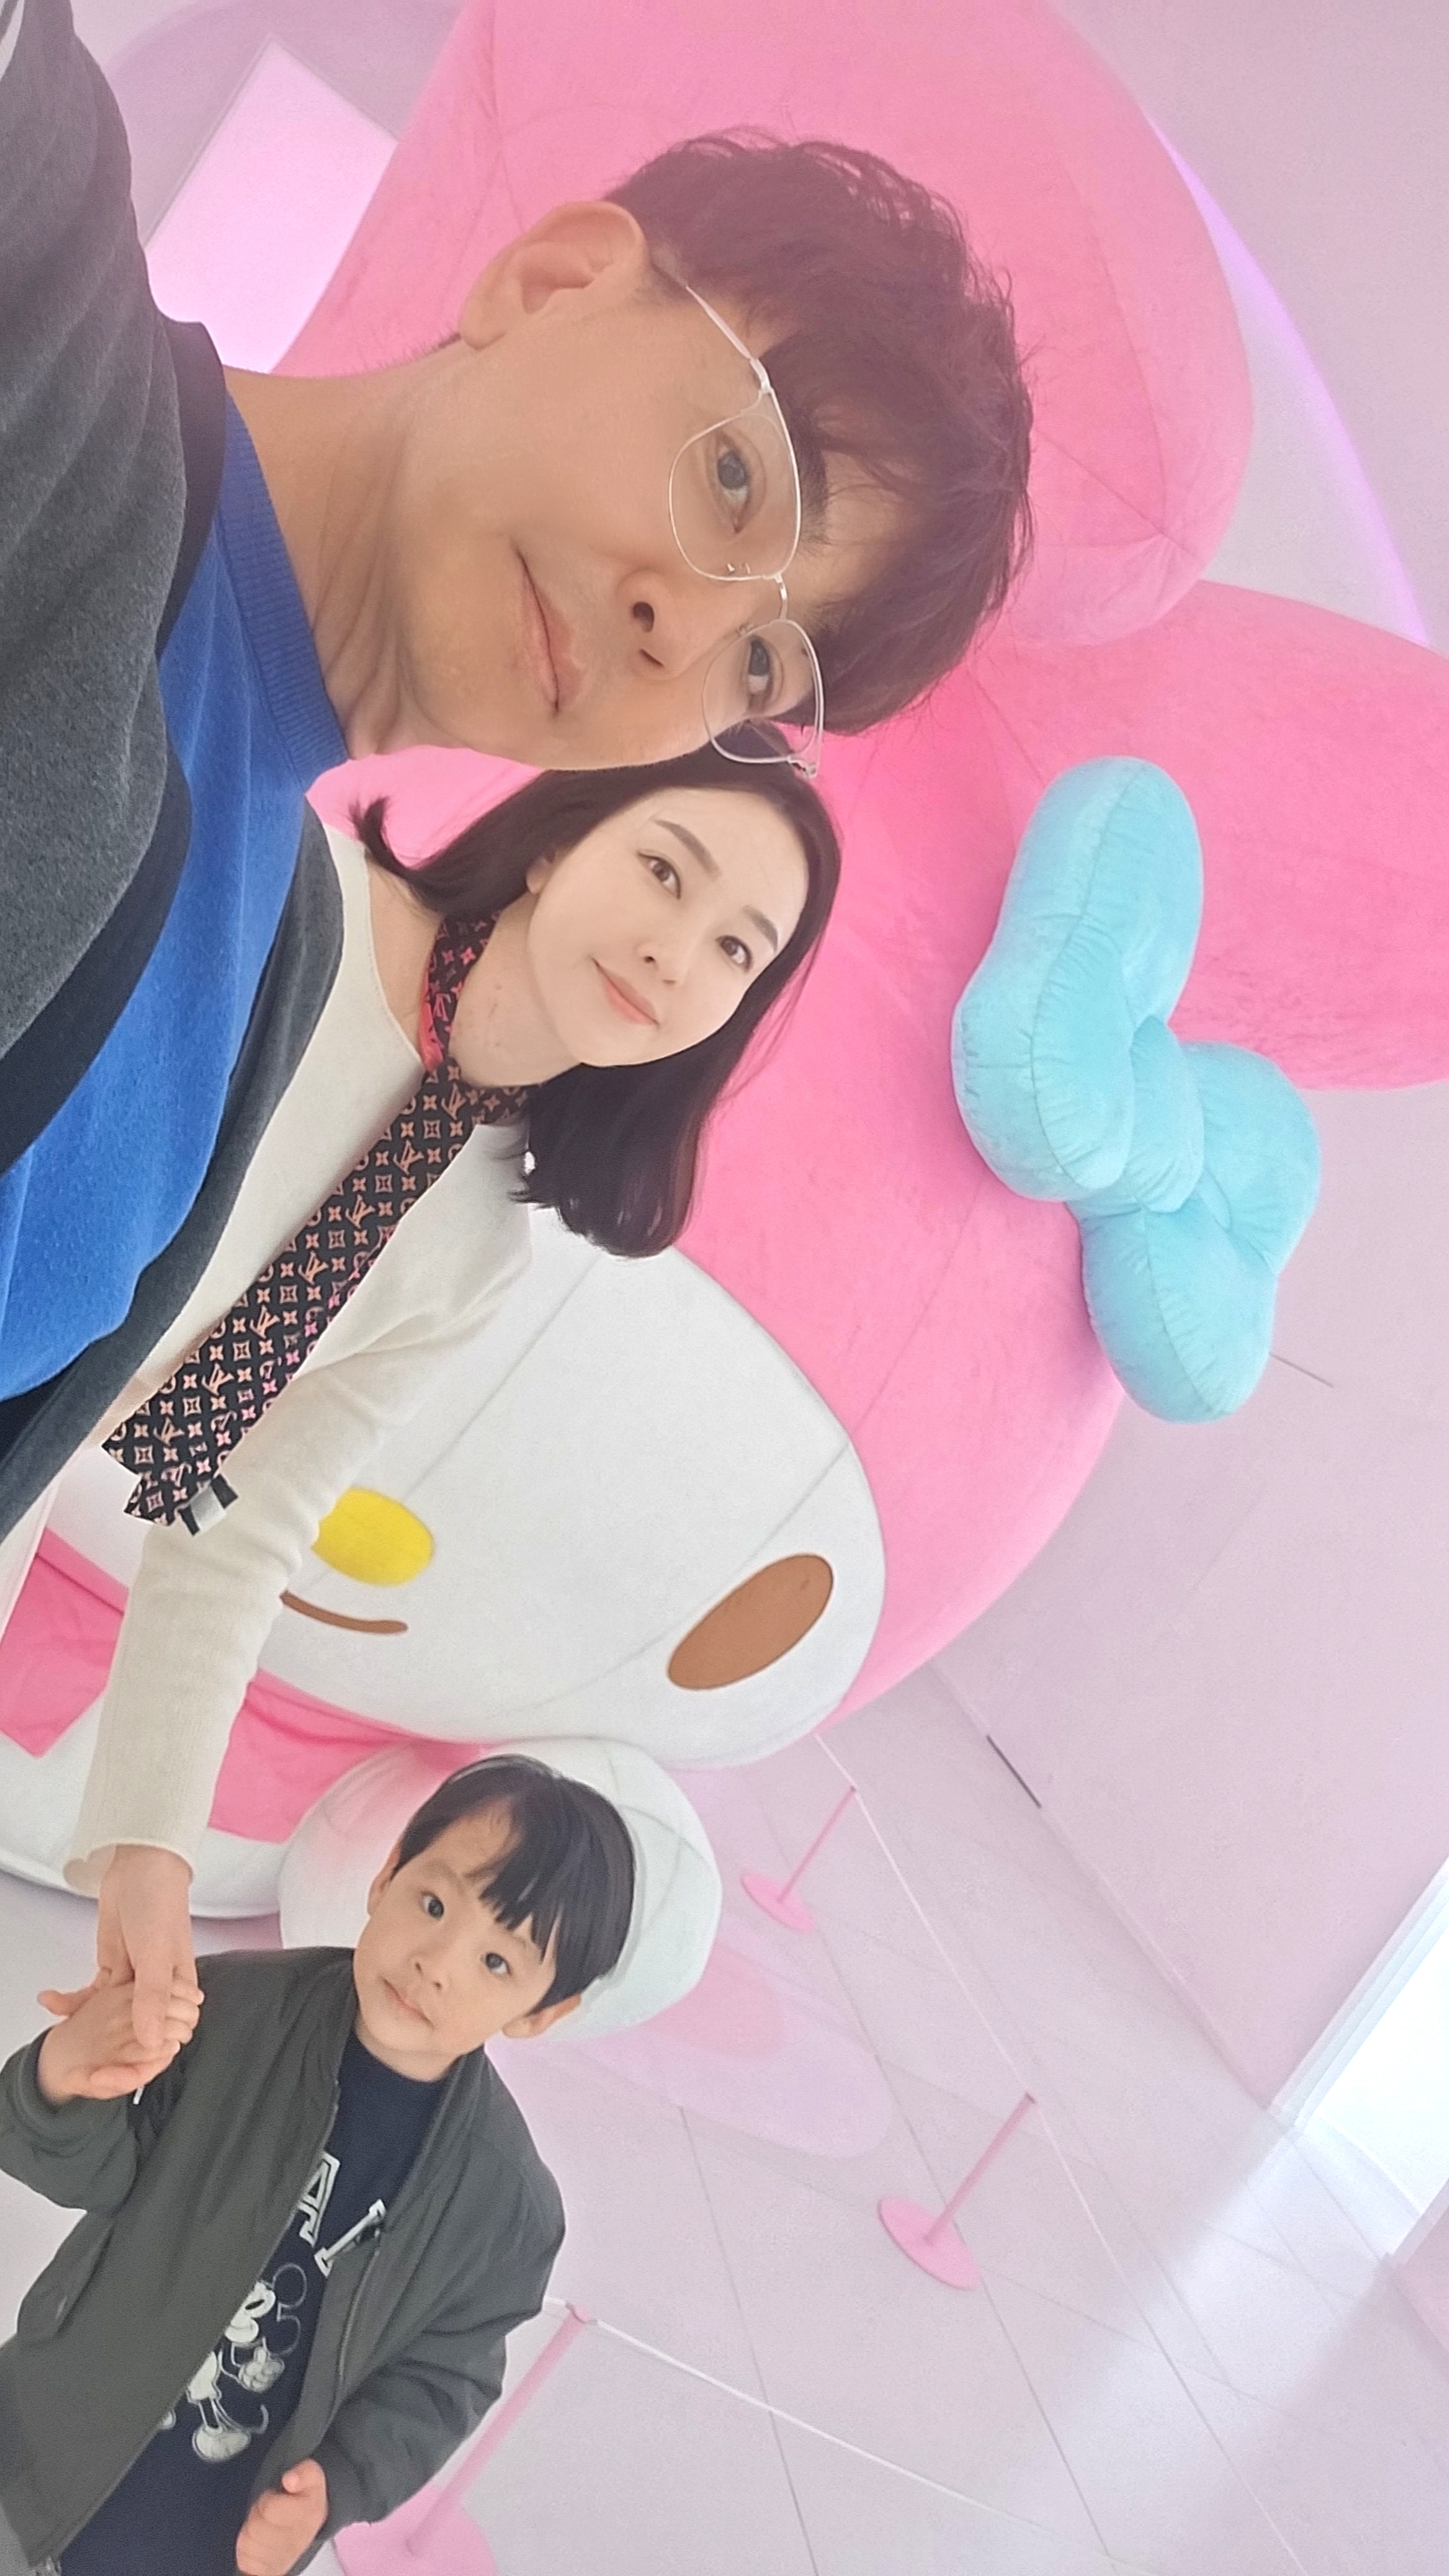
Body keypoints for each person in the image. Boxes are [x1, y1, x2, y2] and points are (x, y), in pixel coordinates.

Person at [0, 0, 1032, 1541]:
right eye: (734, 476)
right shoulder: (43, 316)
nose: (684, 629)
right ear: (554, 280)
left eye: (763, 666)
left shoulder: (277, 970)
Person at [20, 735, 835, 2074]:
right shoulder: (293, 907)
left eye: (736, 950)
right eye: (664, 871)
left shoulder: (473, 1247)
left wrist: (149, 1850)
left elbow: (238, 1528)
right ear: (560, 838)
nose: (674, 954)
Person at [0, 1754, 636, 2576]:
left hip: (205, 2547)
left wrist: (337, 2487)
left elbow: (439, 2385)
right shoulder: (233, 2010)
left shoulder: (506, 2214)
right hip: (35, 2455)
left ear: (543, 2012)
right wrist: (60, 2076)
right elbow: (92, 2173)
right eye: (433, 1904)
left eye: (496, 1962)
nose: (436, 1962)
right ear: (387, 1874)